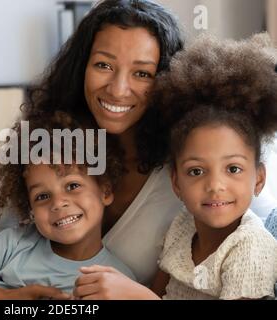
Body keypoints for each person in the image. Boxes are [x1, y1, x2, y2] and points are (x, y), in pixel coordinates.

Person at [0, 0, 277, 300]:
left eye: (142, 73)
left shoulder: (191, 169)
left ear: (167, 82)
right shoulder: (52, 149)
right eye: (103, 65)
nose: (118, 88)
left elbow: (250, 233)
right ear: (81, 68)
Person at [98, 33, 277, 300]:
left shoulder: (250, 246)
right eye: (196, 171)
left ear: (259, 179)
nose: (215, 186)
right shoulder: (182, 227)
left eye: (233, 169)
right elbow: (157, 293)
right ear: (176, 183)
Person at [0, 112, 135, 299]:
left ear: (105, 191)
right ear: (30, 208)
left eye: (72, 186)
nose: (58, 203)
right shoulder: (12, 244)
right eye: (42, 196)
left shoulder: (118, 281)